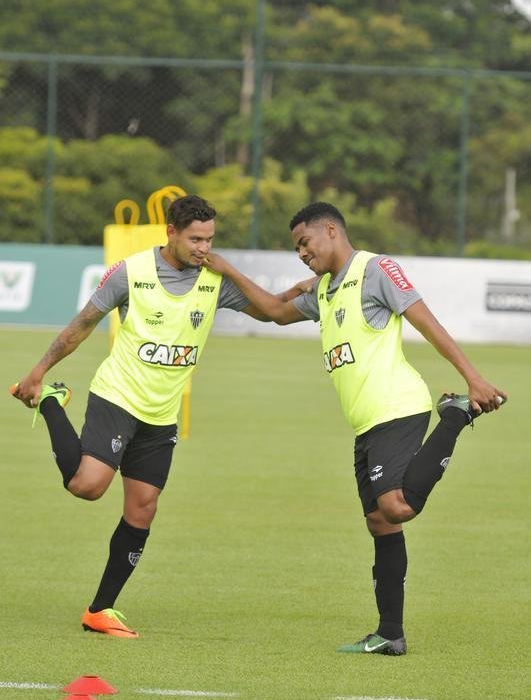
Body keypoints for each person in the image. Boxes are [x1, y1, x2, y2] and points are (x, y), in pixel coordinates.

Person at [203, 201, 507, 655]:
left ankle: (456, 415)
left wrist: (473, 377)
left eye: (304, 243)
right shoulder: (324, 291)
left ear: (331, 230)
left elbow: (427, 322)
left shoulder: (376, 270)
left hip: (396, 408)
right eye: (296, 249)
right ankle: (390, 634)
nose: (302, 254)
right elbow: (271, 311)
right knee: (380, 523)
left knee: (398, 506)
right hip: (367, 423)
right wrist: (224, 276)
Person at [10, 194, 303, 639]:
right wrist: (39, 371)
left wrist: (234, 271)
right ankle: (52, 401)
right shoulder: (132, 273)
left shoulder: (214, 279)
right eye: (195, 239)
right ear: (171, 232)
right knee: (87, 486)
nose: (204, 248)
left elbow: (275, 313)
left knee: (143, 510)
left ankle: (100, 610)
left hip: (161, 414)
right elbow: (84, 322)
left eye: (209, 239)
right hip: (118, 397)